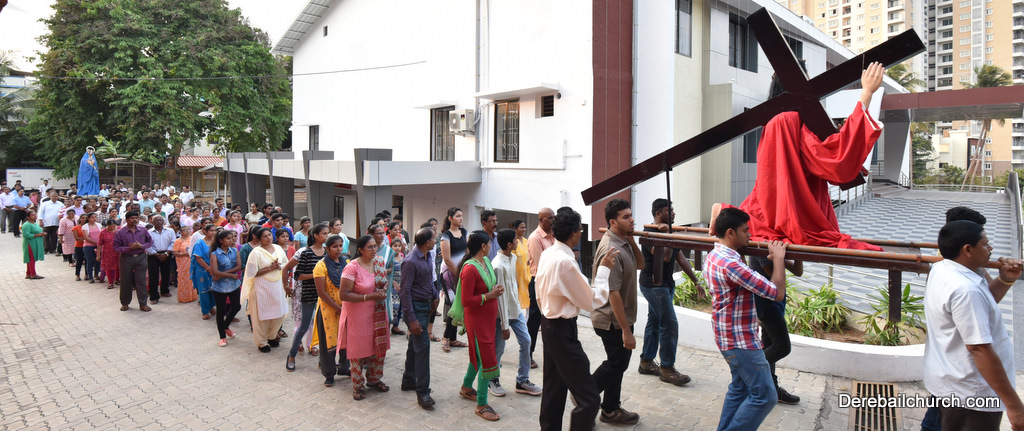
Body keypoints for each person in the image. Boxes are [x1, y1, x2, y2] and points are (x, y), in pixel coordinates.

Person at [728, 62, 884, 252]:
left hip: (763, 214)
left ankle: (721, 209)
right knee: (771, 269)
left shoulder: (772, 122)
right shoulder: (792, 120)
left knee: (761, 266)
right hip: (790, 215)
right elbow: (833, 161)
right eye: (808, 83)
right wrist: (866, 93)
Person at [924, 220, 1024, 430]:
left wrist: (1005, 279)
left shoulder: (942, 268)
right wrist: (1014, 406)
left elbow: (982, 305)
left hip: (953, 385)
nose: (991, 248)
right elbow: (979, 349)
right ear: (968, 250)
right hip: (972, 396)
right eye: (985, 244)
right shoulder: (966, 290)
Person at [704, 207, 788, 430]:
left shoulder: (714, 255)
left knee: (739, 389)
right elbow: (776, 292)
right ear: (730, 233)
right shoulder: (732, 265)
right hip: (740, 341)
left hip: (726, 336)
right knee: (765, 397)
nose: (749, 235)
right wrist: (778, 258)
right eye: (745, 230)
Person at [536, 208, 612, 431]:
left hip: (550, 323)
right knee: (589, 398)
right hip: (561, 329)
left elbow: (540, 293)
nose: (581, 234)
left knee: (554, 388)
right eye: (580, 230)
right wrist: (604, 270)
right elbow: (591, 300)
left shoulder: (549, 254)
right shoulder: (565, 262)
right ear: (573, 233)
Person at [589, 199, 646, 425]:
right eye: (626, 217)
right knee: (617, 363)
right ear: (613, 222)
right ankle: (585, 392)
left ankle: (610, 410)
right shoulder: (610, 249)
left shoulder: (623, 242)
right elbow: (613, 294)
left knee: (617, 364)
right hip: (611, 319)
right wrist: (626, 331)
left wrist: (631, 241)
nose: (632, 220)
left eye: (631, 215)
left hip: (620, 318)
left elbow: (640, 265)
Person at [445, 231, 504, 421]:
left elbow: (488, 287)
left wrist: (495, 290)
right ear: (483, 246)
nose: (491, 246)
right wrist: (489, 296)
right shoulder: (470, 269)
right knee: (486, 359)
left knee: (477, 356)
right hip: (477, 321)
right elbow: (467, 300)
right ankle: (481, 404)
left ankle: (466, 387)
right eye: (489, 243)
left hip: (487, 319)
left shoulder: (485, 262)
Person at [638, 199, 697, 386]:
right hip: (653, 285)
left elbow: (680, 258)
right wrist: (666, 235)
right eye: (668, 210)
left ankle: (646, 362)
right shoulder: (649, 233)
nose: (673, 213)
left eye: (672, 210)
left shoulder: (669, 232)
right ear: (658, 213)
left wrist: (696, 281)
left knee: (655, 322)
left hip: (666, 284)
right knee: (669, 324)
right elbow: (664, 256)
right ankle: (667, 368)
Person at [338, 234, 391, 400]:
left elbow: (384, 282)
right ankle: (358, 386)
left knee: (378, 346)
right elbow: (344, 294)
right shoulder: (352, 267)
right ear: (360, 249)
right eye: (370, 247)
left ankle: (374, 379)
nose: (374, 249)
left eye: (375, 246)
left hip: (378, 312)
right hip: (358, 316)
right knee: (358, 351)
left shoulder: (379, 262)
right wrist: (369, 297)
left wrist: (383, 290)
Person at [491, 228, 543, 397]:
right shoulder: (497, 265)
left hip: (515, 309)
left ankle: (522, 380)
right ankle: (493, 379)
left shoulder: (512, 258)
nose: (517, 242)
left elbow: (512, 286)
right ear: (509, 244)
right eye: (515, 240)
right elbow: (500, 297)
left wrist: (519, 305)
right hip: (502, 314)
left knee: (526, 341)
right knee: (499, 348)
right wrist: (504, 325)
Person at [400, 227, 439, 409]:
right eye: (434, 239)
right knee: (423, 348)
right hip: (415, 309)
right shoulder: (410, 262)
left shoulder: (428, 256)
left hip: (427, 305)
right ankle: (423, 392)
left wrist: (435, 295)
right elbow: (405, 292)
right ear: (427, 242)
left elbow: (429, 280)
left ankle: (409, 379)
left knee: (414, 345)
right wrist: (412, 319)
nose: (436, 241)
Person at [284, 223, 329, 370]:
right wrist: (317, 276)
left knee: (324, 327)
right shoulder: (306, 253)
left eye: (327, 233)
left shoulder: (327, 252)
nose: (327, 236)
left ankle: (323, 360)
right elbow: (298, 275)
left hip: (324, 296)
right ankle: (292, 355)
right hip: (309, 294)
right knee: (304, 326)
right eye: (324, 233)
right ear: (315, 236)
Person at [242, 228, 289, 353]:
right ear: (259, 239)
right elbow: (252, 273)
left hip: (277, 286)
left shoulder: (278, 248)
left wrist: (280, 267)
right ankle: (262, 342)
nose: (268, 238)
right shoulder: (256, 252)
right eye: (265, 236)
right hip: (262, 287)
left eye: (269, 235)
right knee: (262, 316)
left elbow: (286, 263)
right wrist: (270, 268)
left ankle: (271, 336)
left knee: (278, 314)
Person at [312, 234, 350, 387]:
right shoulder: (320, 266)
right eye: (335, 246)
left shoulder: (346, 263)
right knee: (328, 342)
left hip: (345, 308)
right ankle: (328, 373)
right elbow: (322, 293)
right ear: (327, 248)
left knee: (346, 339)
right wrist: (338, 308)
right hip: (327, 310)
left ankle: (344, 367)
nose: (338, 249)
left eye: (340, 246)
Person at [527, 207, 556, 368]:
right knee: (534, 320)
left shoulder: (553, 235)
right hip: (539, 282)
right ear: (541, 220)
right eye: (550, 218)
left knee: (550, 320)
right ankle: (527, 354)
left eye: (553, 217)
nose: (553, 221)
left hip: (552, 281)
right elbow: (541, 265)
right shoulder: (535, 238)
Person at [439, 207, 470, 353]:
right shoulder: (446, 236)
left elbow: (468, 252)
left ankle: (453, 338)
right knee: (453, 305)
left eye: (461, 216)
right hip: (448, 275)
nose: (461, 218)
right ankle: (446, 337)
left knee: (458, 305)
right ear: (450, 218)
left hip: (461, 273)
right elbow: (447, 259)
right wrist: (458, 275)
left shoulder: (464, 232)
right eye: (458, 216)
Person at [114, 211, 155, 312]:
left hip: (141, 257)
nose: (134, 220)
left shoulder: (143, 230)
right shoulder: (120, 232)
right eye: (132, 218)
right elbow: (116, 248)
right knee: (125, 281)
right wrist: (129, 248)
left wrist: (142, 246)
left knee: (141, 281)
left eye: (136, 218)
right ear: (127, 220)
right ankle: (125, 303)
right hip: (126, 258)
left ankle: (143, 304)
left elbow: (150, 242)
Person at [210, 230, 243, 348]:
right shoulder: (214, 254)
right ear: (221, 240)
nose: (231, 240)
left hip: (233, 284)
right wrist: (231, 275)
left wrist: (223, 274)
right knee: (220, 311)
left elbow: (239, 266)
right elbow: (215, 272)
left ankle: (225, 326)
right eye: (228, 238)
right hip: (219, 287)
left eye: (232, 238)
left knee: (237, 306)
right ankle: (222, 336)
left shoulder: (235, 251)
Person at [147, 215, 176, 302]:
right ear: (152, 222)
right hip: (153, 255)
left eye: (160, 220)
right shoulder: (149, 232)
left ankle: (164, 291)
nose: (158, 222)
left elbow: (173, 242)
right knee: (153, 276)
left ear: (163, 221)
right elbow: (147, 245)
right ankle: (154, 296)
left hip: (166, 254)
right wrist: (156, 254)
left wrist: (167, 253)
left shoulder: (170, 231)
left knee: (166, 274)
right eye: (156, 220)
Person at [192, 224, 218, 319]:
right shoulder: (199, 243)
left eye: (215, 230)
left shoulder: (216, 242)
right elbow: (198, 258)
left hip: (215, 268)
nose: (213, 232)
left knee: (214, 289)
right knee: (204, 290)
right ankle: (205, 311)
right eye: (211, 230)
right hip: (202, 269)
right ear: (205, 232)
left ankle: (211, 307)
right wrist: (209, 268)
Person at [510, 220, 532, 327]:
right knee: (519, 299)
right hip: (518, 275)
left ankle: (529, 321)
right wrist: (514, 278)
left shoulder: (527, 241)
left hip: (528, 274)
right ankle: (519, 321)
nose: (524, 229)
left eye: (524, 227)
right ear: (515, 229)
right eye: (521, 227)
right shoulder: (513, 243)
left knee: (529, 298)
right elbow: (511, 261)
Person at [174, 224, 198, 303]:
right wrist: (186, 254)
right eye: (185, 230)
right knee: (183, 279)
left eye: (188, 230)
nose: (187, 231)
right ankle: (184, 297)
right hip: (183, 262)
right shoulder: (178, 241)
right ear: (180, 232)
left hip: (192, 261)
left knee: (192, 278)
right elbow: (175, 253)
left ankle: (193, 296)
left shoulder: (192, 239)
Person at [22, 210, 45, 280]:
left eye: (35, 214)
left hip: (35, 242)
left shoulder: (35, 223)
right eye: (32, 215)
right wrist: (38, 235)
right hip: (30, 243)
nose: (35, 216)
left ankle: (29, 273)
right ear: (28, 217)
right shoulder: (26, 225)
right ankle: (33, 274)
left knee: (31, 258)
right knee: (31, 258)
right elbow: (26, 235)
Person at [98, 219, 120, 289]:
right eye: (110, 226)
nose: (112, 228)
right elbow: (99, 244)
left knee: (118, 266)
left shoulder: (120, 230)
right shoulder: (103, 232)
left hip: (118, 252)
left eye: (114, 226)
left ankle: (117, 279)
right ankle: (110, 282)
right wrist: (98, 255)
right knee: (109, 268)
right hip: (107, 253)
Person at [81, 212, 103, 283]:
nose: (94, 219)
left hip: (98, 246)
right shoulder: (85, 226)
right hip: (88, 246)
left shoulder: (99, 225)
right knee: (90, 261)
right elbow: (87, 238)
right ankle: (90, 277)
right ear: (88, 218)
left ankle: (96, 274)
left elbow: (102, 234)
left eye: (95, 217)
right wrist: (97, 243)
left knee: (98, 260)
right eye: (92, 217)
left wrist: (100, 244)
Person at [72, 214, 88, 281]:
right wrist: (86, 239)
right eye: (82, 218)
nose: (84, 219)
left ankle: (87, 274)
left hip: (87, 246)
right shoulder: (76, 228)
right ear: (80, 219)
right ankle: (77, 275)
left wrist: (84, 238)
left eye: (85, 218)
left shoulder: (88, 227)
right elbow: (77, 238)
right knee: (79, 261)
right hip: (79, 246)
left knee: (87, 261)